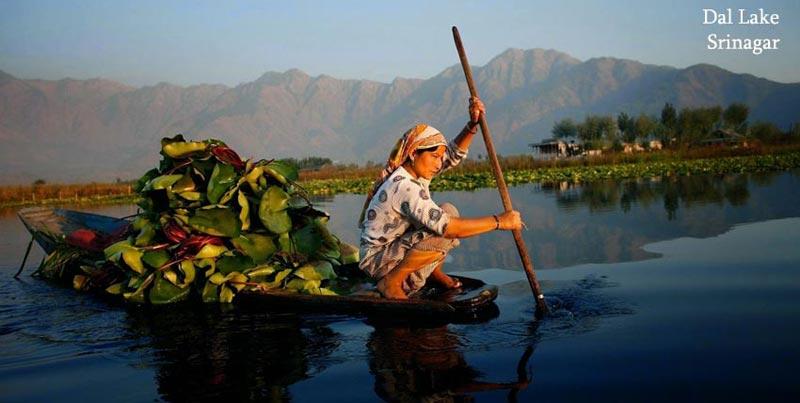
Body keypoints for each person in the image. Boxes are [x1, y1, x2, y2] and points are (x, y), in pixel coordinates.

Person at [358, 97, 524, 299]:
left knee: (448, 209)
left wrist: (472, 125)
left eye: (439, 157)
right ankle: (390, 283)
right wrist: (499, 222)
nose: (438, 164)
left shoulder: (416, 172)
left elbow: (453, 154)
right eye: (434, 157)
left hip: (395, 249)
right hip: (378, 261)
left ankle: (432, 272)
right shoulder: (404, 186)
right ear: (413, 154)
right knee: (444, 229)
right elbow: (448, 228)